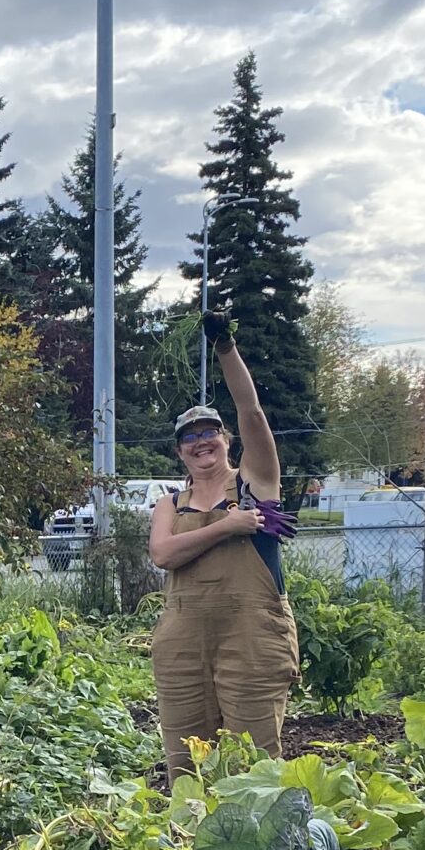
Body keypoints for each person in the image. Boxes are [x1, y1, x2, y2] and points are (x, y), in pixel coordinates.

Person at [147, 315, 301, 780]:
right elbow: (163, 555)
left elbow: (252, 411)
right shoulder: (168, 504)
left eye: (209, 432)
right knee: (186, 765)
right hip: (183, 644)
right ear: (180, 453)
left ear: (226, 440)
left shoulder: (256, 483)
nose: (200, 442)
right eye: (189, 438)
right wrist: (228, 526)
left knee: (253, 766)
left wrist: (225, 347)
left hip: (252, 638)